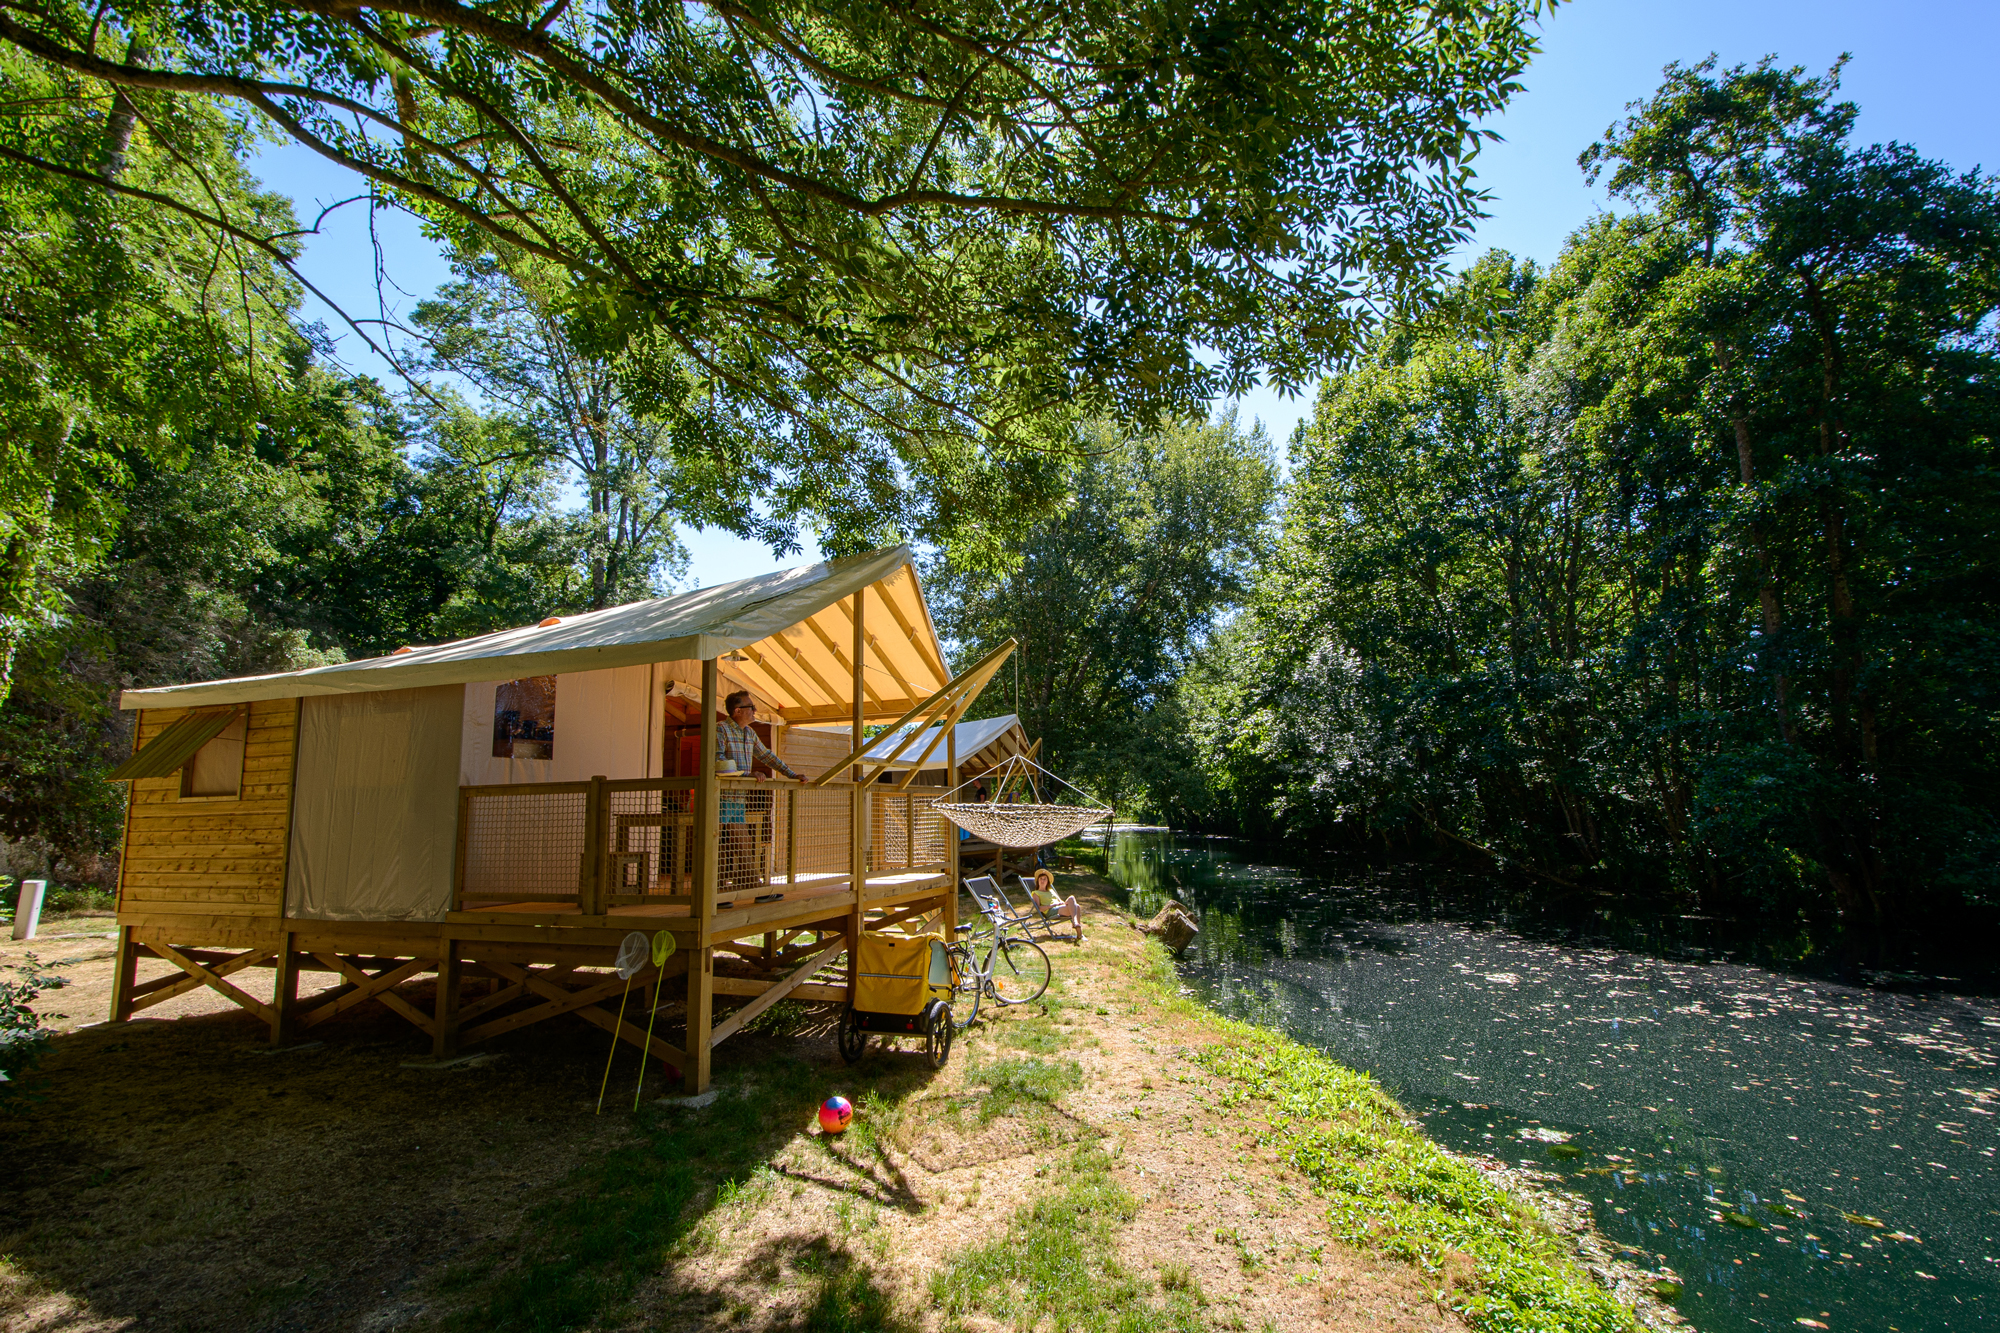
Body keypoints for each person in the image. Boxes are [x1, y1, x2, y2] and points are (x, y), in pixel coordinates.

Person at [716, 691, 802, 895]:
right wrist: (748, 774)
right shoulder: (721, 729)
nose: (755, 711)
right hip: (718, 796)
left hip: (738, 799)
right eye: (751, 707)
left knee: (743, 844)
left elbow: (767, 756)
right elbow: (717, 760)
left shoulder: (750, 733)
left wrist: (791, 774)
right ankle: (714, 890)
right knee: (714, 844)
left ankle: (754, 887)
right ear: (737, 711)